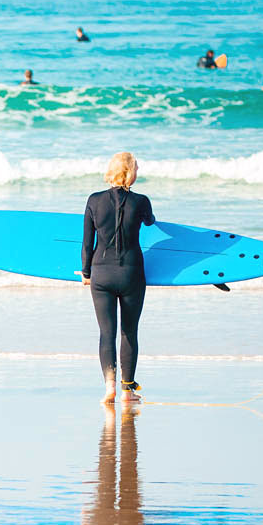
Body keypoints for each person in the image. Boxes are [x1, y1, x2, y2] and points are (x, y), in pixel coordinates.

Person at [81, 152, 155, 405]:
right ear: (130, 172)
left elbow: (86, 242)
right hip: (131, 272)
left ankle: (109, 386)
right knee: (129, 332)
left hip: (101, 273)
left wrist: (86, 273)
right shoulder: (141, 201)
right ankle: (127, 391)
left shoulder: (93, 200)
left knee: (106, 332)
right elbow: (149, 221)